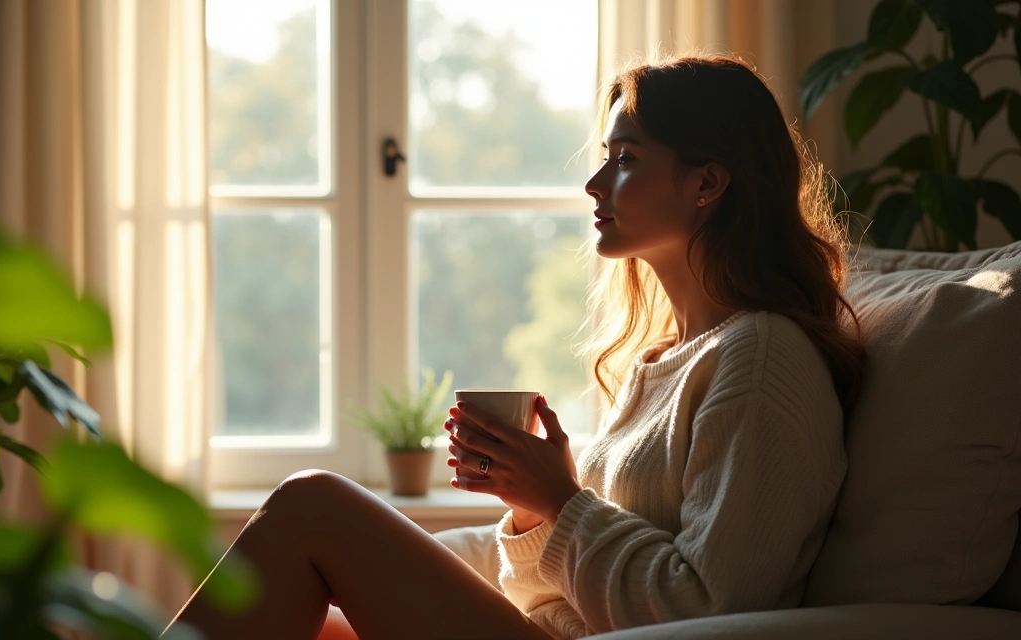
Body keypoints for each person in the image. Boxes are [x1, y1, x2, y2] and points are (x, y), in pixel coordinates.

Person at [168, 52, 865, 640]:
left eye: (626, 160)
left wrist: (563, 500)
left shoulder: (761, 357)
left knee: (311, 504)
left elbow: (712, 610)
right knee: (303, 615)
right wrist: (533, 506)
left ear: (708, 181)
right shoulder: (662, 361)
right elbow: (560, 577)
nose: (595, 184)